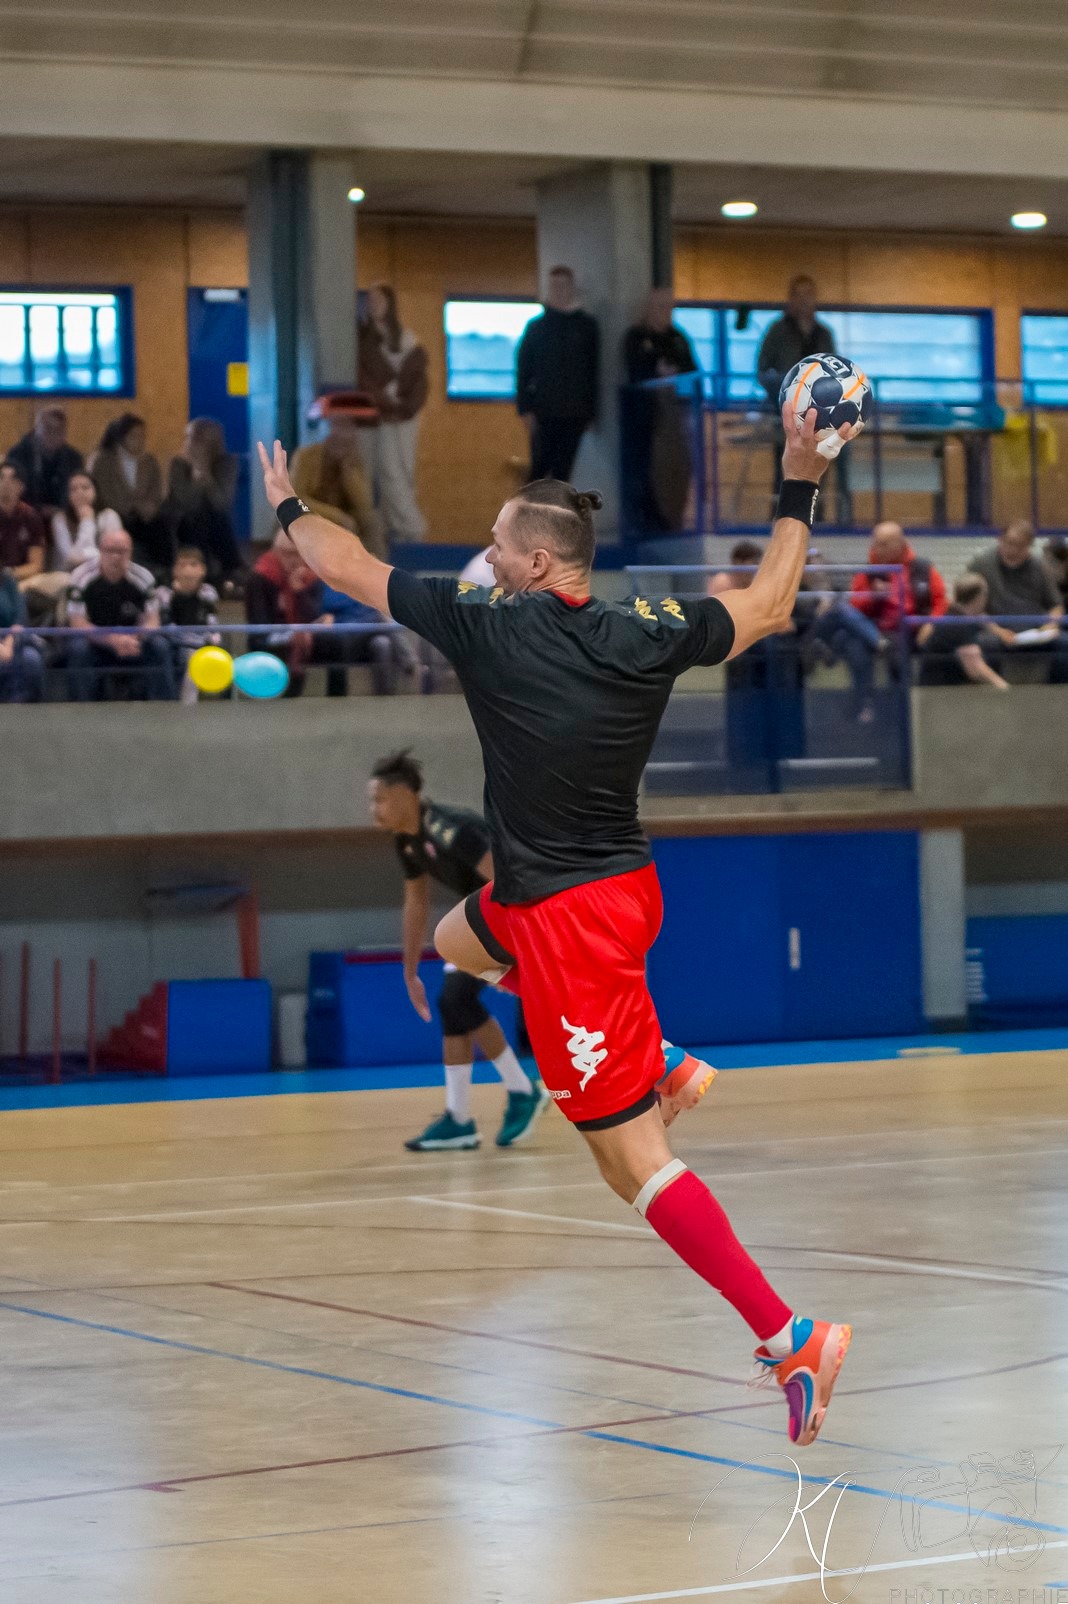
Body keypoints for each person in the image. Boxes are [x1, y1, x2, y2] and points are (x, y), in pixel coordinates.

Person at [257, 395, 859, 1448]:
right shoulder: (645, 629)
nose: (482, 555)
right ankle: (659, 1056)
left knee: (627, 1162)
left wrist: (286, 503)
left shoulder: (486, 624)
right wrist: (801, 475)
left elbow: (344, 565)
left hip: (572, 920)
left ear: (536, 563)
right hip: (584, 893)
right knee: (456, 944)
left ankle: (790, 1333)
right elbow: (767, 603)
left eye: (496, 543)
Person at [367, 749, 549, 1150]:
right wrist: (409, 969)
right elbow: (415, 902)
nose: (373, 809)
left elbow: (509, 881)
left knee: (456, 998)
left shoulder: (450, 829)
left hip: (515, 914)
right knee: (453, 1006)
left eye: (379, 799)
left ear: (405, 796)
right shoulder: (408, 842)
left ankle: (523, 1091)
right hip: (482, 922)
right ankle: (460, 1118)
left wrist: (520, 952)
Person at [820, 522, 947, 720]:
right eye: (875, 544)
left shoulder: (922, 568)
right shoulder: (868, 572)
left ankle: (897, 709)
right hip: (875, 627)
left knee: (861, 640)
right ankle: (865, 703)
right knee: (853, 639)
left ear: (900, 544)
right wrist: (874, 595)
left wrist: (930, 622)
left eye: (883, 544)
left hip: (909, 629)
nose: (876, 549)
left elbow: (940, 601)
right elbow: (856, 608)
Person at [757, 277, 850, 523]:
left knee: (820, 467)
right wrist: (784, 391)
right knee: (786, 468)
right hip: (787, 414)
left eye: (809, 294)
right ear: (790, 299)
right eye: (798, 294)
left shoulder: (824, 333)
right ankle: (783, 520)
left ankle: (815, 520)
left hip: (821, 414)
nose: (804, 300)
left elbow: (836, 370)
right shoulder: (778, 331)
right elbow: (763, 370)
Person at [622, 287, 700, 534]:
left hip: (674, 419)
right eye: (659, 307)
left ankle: (673, 520)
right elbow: (635, 372)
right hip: (645, 419)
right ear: (648, 309)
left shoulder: (678, 338)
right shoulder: (636, 337)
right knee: (646, 473)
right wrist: (658, 373)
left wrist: (675, 376)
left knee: (678, 469)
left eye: (669, 308)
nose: (664, 313)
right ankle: (647, 522)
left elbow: (692, 371)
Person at [66, 527, 175, 701]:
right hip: (97, 642)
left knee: (159, 646)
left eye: (122, 551)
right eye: (110, 551)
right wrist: (112, 640)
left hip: (133, 642)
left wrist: (135, 638)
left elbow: (153, 621)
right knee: (78, 649)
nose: (116, 557)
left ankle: (165, 710)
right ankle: (80, 711)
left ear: (130, 552)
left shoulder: (144, 578)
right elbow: (77, 623)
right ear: (100, 551)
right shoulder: (81, 577)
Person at [357, 285, 429, 541]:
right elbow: (364, 378)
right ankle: (391, 527)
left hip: (401, 419)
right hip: (373, 419)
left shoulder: (407, 340)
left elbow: (417, 375)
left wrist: (401, 401)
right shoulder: (363, 341)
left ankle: (409, 529)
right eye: (371, 300)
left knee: (398, 470)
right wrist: (385, 397)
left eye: (379, 299)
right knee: (376, 473)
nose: (374, 304)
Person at [515, 265, 599, 482]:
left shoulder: (586, 327)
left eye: (563, 285)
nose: (559, 290)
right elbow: (524, 369)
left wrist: (591, 411)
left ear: (571, 287)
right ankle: (527, 515)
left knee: (563, 473)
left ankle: (555, 516)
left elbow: (592, 371)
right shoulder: (536, 327)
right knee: (539, 471)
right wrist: (525, 408)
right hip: (544, 411)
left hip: (574, 413)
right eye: (554, 286)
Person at [967, 521, 1068, 683]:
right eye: (1009, 543)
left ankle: (1055, 698)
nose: (1013, 550)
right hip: (995, 630)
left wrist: (1050, 625)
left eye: (1020, 546)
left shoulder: (1040, 566)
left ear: (1029, 546)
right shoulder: (982, 564)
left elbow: (1056, 605)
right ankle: (993, 697)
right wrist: (998, 631)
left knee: (1064, 645)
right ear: (1000, 540)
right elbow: (971, 608)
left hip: (1035, 631)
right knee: (982, 646)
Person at [291, 404, 385, 560]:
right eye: (338, 427)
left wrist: (348, 470)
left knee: (372, 521)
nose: (342, 436)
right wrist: (336, 516)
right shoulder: (306, 456)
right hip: (310, 512)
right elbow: (296, 498)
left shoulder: (356, 460)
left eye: (348, 429)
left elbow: (364, 504)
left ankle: (378, 573)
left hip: (345, 514)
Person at [165, 418, 242, 584]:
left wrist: (205, 474)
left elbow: (222, 503)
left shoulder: (226, 464)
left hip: (216, 520)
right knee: (196, 520)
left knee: (217, 518)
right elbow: (186, 503)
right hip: (182, 520)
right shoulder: (178, 465)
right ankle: (212, 573)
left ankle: (230, 570)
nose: (187, 443)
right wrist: (195, 476)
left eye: (192, 439)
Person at [88, 413, 167, 571]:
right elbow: (103, 493)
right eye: (134, 436)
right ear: (122, 437)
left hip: (144, 516)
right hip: (116, 513)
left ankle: (160, 571)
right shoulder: (103, 461)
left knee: (161, 526)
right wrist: (131, 505)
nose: (139, 440)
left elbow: (156, 493)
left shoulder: (150, 462)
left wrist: (147, 509)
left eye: (142, 436)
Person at [916, 575, 1009, 689]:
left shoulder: (955, 614)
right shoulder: (959, 624)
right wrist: (1005, 688)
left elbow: (983, 618)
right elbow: (975, 670)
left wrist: (1000, 632)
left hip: (943, 689)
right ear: (979, 598)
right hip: (937, 694)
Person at [157, 546, 220, 701]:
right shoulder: (165, 594)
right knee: (193, 659)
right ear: (175, 571)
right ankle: (186, 706)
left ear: (202, 570)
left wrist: (212, 640)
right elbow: (168, 627)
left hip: (202, 644)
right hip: (176, 645)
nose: (188, 570)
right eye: (182, 565)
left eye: (193, 565)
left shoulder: (208, 592)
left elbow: (212, 623)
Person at [7, 406, 83, 516]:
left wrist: (60, 510)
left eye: (58, 430)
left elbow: (75, 491)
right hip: (25, 516)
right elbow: (12, 491)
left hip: (64, 517)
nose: (53, 435)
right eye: (48, 428)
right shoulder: (18, 455)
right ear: (36, 429)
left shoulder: (74, 459)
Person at [0, 566, 45, 702]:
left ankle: (25, 714)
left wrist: (8, 644)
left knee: (31, 659)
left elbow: (20, 616)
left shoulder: (7, 580)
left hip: (12, 640)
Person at [0, 460, 46, 586]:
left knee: (60, 579)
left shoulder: (31, 516)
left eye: (13, 479)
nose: (6, 484)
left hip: (21, 579)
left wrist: (10, 573)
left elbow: (36, 565)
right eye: (2, 478)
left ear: (22, 487)